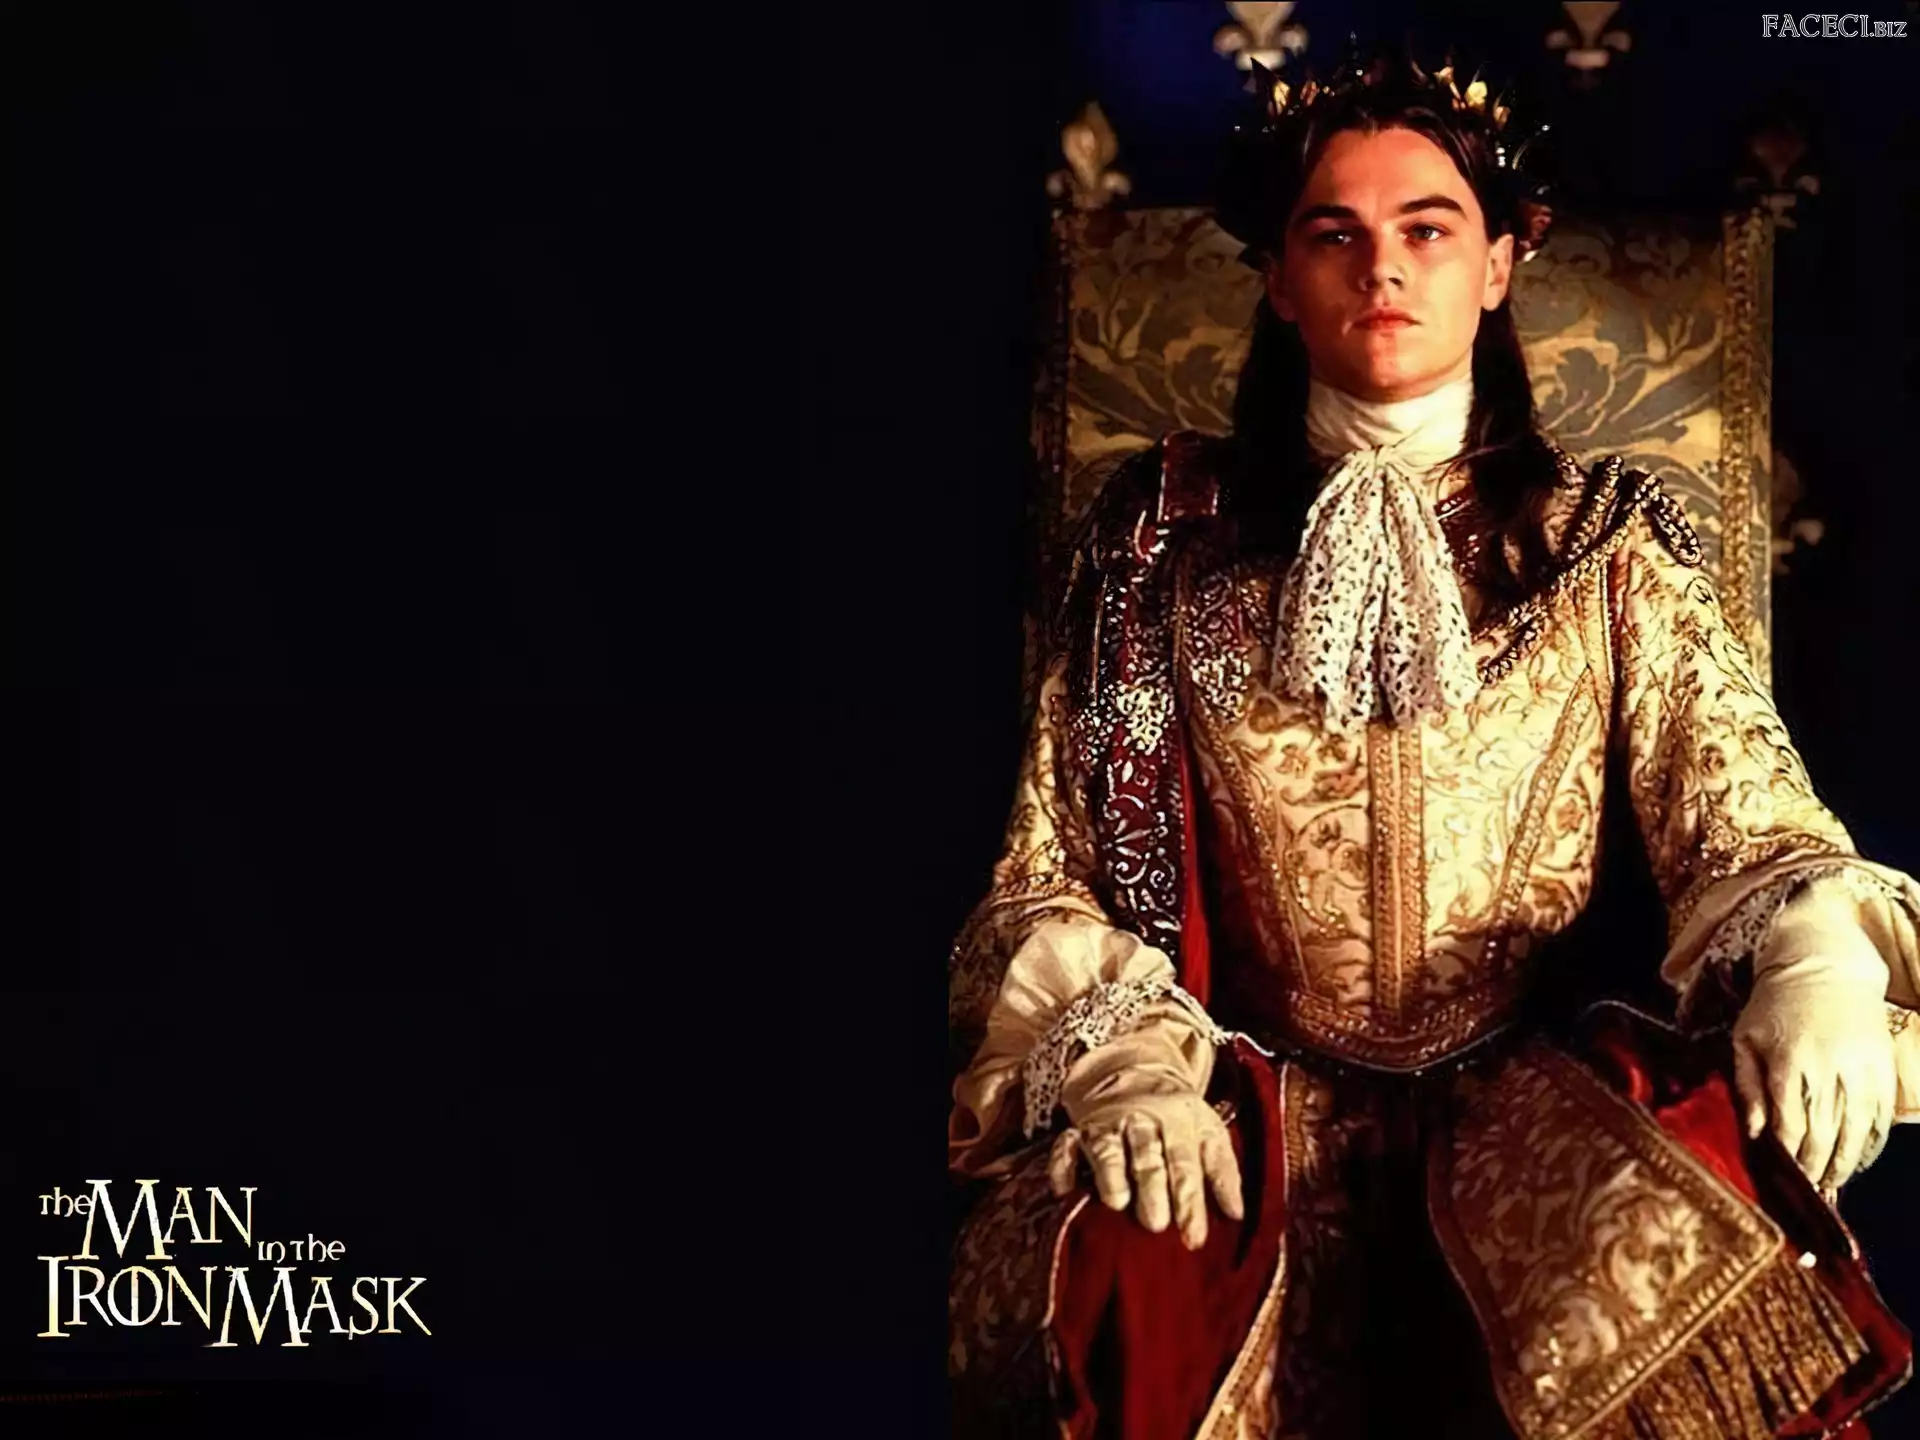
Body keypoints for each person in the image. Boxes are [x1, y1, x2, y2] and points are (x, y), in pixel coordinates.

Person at [947, 46, 1920, 1440]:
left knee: (1687, 1252)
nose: (1382, 269)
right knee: (1123, 1262)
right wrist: (1125, 1066)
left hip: (1528, 1098)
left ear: (1500, 265)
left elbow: (1745, 810)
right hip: (1243, 1100)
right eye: (1333, 235)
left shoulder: (1602, 543)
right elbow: (1050, 872)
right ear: (1279, 281)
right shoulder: (1162, 547)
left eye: (1427, 230)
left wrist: (1818, 958)